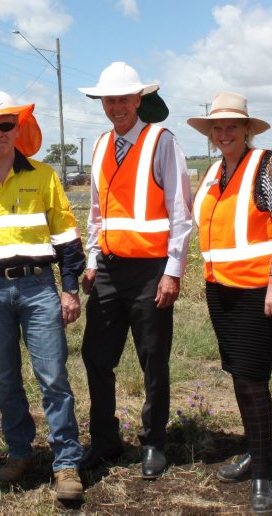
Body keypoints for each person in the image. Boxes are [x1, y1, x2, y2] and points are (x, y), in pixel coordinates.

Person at [0, 89, 86, 502]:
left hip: (39, 286)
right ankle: (19, 453)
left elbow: (66, 239)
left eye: (7, 124)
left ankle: (66, 463)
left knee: (53, 378)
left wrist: (70, 288)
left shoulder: (43, 176)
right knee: (5, 380)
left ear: (17, 128)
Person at [77, 62, 193, 479]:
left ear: (138, 100)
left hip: (150, 271)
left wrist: (173, 271)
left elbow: (181, 211)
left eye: (123, 99)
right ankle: (105, 440)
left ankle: (153, 442)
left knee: (153, 359)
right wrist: (92, 261)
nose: (115, 107)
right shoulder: (100, 145)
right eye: (109, 100)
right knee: (95, 357)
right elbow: (95, 212)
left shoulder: (162, 141)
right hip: (107, 269)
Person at [187, 91, 272, 516]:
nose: (224, 132)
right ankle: (255, 450)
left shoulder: (266, 164)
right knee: (238, 375)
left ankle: (264, 476)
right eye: (218, 126)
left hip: (259, 291)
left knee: (252, 378)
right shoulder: (213, 172)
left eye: (233, 126)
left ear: (248, 129)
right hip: (221, 290)